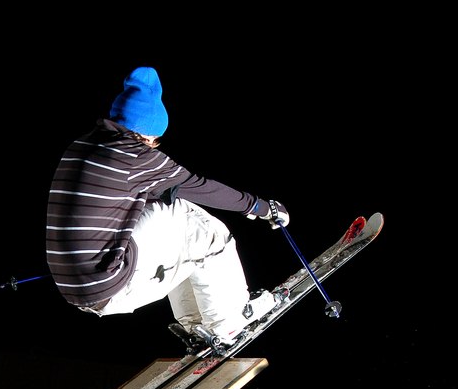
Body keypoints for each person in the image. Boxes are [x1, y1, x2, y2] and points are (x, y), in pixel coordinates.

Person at [46, 66, 290, 350]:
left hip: (76, 287)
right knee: (202, 227)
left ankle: (194, 321)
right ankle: (228, 320)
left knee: (174, 224)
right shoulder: (135, 157)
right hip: (109, 285)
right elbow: (200, 186)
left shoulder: (82, 147)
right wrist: (261, 207)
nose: (154, 146)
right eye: (154, 140)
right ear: (147, 132)